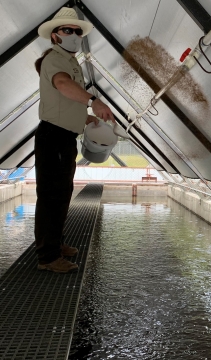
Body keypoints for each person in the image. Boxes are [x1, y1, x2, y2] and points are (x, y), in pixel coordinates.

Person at [34, 7, 115, 273]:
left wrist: (85, 119)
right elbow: (63, 86)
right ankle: (47, 257)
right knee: (52, 196)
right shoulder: (54, 60)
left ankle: (56, 245)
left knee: (62, 192)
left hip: (63, 136)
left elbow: (63, 103)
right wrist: (93, 101)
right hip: (53, 137)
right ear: (54, 36)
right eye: (67, 30)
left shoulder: (70, 61)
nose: (74, 35)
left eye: (77, 31)